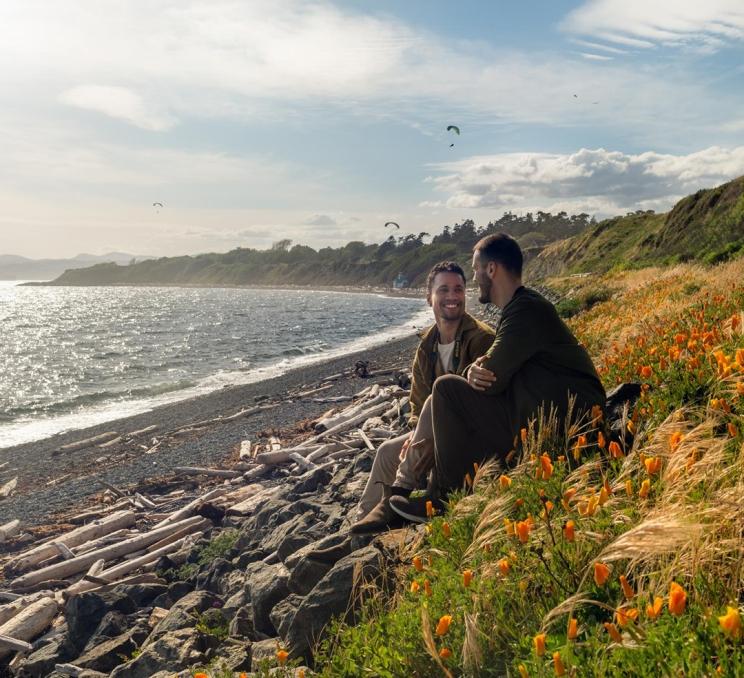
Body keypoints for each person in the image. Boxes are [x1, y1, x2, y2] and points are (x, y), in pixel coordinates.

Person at [389, 233, 606, 522]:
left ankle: (442, 497)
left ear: (491, 269)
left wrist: (476, 370)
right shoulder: (518, 310)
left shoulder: (526, 309)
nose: (476, 277)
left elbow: (492, 378)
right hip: (545, 417)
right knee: (450, 393)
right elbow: (490, 368)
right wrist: (475, 370)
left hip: (569, 425)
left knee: (446, 389)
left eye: (477, 269)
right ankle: (427, 493)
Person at [350, 261, 495, 534]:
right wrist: (415, 433)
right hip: (431, 434)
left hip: (469, 439)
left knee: (438, 396)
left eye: (458, 289)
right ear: (429, 297)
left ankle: (399, 500)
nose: (452, 297)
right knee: (386, 452)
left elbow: (485, 402)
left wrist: (421, 436)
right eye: (443, 290)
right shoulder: (427, 344)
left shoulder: (481, 339)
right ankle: (362, 526)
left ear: (466, 294)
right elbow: (417, 401)